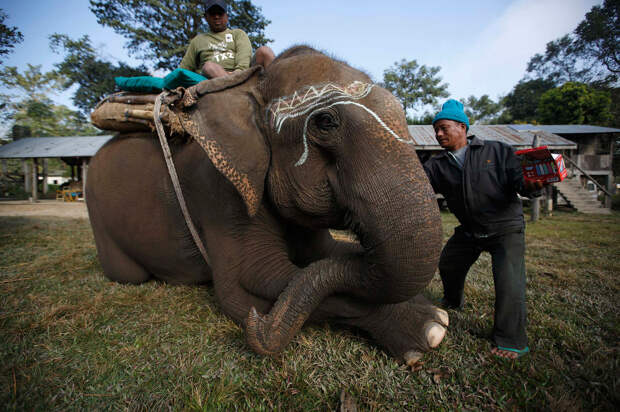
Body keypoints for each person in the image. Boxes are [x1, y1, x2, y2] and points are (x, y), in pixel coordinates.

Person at [423, 99, 545, 360]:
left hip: (505, 228)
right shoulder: (437, 165)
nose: (438, 134)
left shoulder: (497, 151)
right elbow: (418, 188)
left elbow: (521, 182)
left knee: (509, 281)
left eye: (444, 128)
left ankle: (511, 340)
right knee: (449, 264)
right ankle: (453, 301)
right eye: (436, 130)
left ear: (462, 127)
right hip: (470, 230)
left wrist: (532, 186)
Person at [180, 0, 275, 79]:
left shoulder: (238, 34)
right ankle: (237, 90)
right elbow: (184, 69)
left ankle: (282, 96)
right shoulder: (198, 41)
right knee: (209, 67)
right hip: (213, 79)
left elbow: (244, 55)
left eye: (220, 13)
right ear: (206, 17)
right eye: (213, 14)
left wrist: (238, 73)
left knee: (265, 51)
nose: (217, 17)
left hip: (242, 75)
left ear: (227, 16)